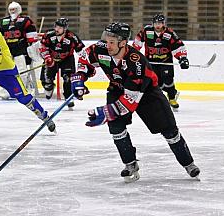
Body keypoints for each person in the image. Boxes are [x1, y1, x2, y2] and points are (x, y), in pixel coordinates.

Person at [70, 22, 200, 183]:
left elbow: (129, 102)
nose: (107, 45)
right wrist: (78, 80)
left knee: (169, 131)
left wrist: (105, 112)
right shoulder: (100, 49)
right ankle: (130, 164)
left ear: (123, 43)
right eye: (106, 40)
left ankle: (188, 163)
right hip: (117, 88)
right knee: (116, 128)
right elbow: (84, 60)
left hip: (147, 94)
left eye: (112, 42)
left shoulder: (136, 62)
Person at [132, 13, 189, 111]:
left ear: (164, 24)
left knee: (168, 80)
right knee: (156, 82)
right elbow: (137, 43)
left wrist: (182, 58)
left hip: (165, 61)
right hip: (151, 62)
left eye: (160, 23)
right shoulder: (146, 31)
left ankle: (171, 98)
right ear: (153, 23)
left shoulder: (169, 33)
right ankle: (171, 93)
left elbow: (178, 46)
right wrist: (133, 56)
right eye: (156, 23)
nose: (158, 25)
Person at [39, 17, 85, 109]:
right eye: (56, 27)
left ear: (65, 29)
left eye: (60, 28)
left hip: (67, 59)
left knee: (68, 78)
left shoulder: (72, 37)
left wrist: (84, 62)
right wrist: (47, 57)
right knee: (47, 78)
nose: (57, 29)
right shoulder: (49, 35)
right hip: (51, 59)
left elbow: (80, 51)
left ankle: (68, 97)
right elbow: (43, 47)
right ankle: (49, 86)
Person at [0, 1, 38, 99]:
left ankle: (22, 89)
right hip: (7, 50)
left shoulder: (26, 20)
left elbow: (32, 36)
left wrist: (32, 47)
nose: (12, 11)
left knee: (22, 71)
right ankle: (7, 90)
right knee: (5, 71)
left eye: (14, 9)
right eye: (11, 9)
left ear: (19, 9)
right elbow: (0, 36)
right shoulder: (4, 21)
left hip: (21, 49)